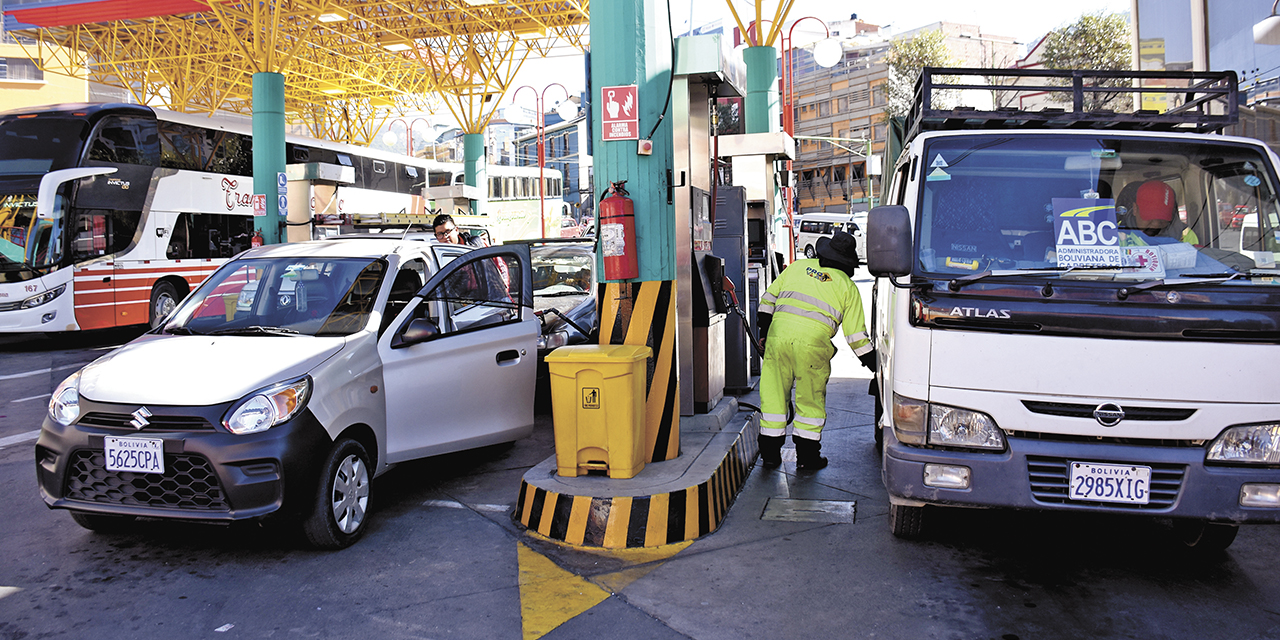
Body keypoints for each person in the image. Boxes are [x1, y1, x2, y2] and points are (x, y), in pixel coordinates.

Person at [757, 230, 875, 471]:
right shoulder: (847, 287)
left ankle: (769, 456)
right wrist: (875, 365)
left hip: (778, 338)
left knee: (773, 396)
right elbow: (856, 337)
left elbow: (767, 301)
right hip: (813, 347)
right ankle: (807, 458)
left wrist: (765, 333)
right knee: (810, 401)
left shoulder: (797, 267)